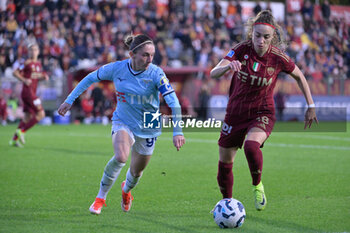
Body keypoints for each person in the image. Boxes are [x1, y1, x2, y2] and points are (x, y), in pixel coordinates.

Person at [58, 34, 185, 214]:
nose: (150, 59)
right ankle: (100, 199)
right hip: (123, 120)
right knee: (121, 157)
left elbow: (173, 102)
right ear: (132, 54)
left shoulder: (156, 73)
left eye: (152, 55)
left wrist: (177, 131)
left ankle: (126, 190)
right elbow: (90, 78)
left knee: (136, 173)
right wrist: (70, 100)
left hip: (149, 125)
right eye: (145, 55)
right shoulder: (117, 68)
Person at [210, 10, 318, 211]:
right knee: (225, 163)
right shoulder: (240, 50)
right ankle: (227, 205)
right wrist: (227, 67)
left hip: (263, 112)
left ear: (272, 37)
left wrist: (311, 105)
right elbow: (213, 72)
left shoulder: (278, 58)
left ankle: (257, 185)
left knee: (252, 146)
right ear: (251, 33)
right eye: (257, 35)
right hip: (235, 113)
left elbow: (300, 76)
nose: (261, 41)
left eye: (266, 37)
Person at [9, 43, 49, 147]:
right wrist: (24, 80)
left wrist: (43, 77)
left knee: (27, 116)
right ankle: (22, 131)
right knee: (41, 114)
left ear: (38, 52)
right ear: (29, 52)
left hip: (31, 92)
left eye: (35, 50)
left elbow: (36, 77)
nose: (33, 52)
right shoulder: (26, 63)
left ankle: (14, 140)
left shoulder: (39, 65)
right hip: (28, 92)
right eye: (31, 50)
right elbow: (15, 73)